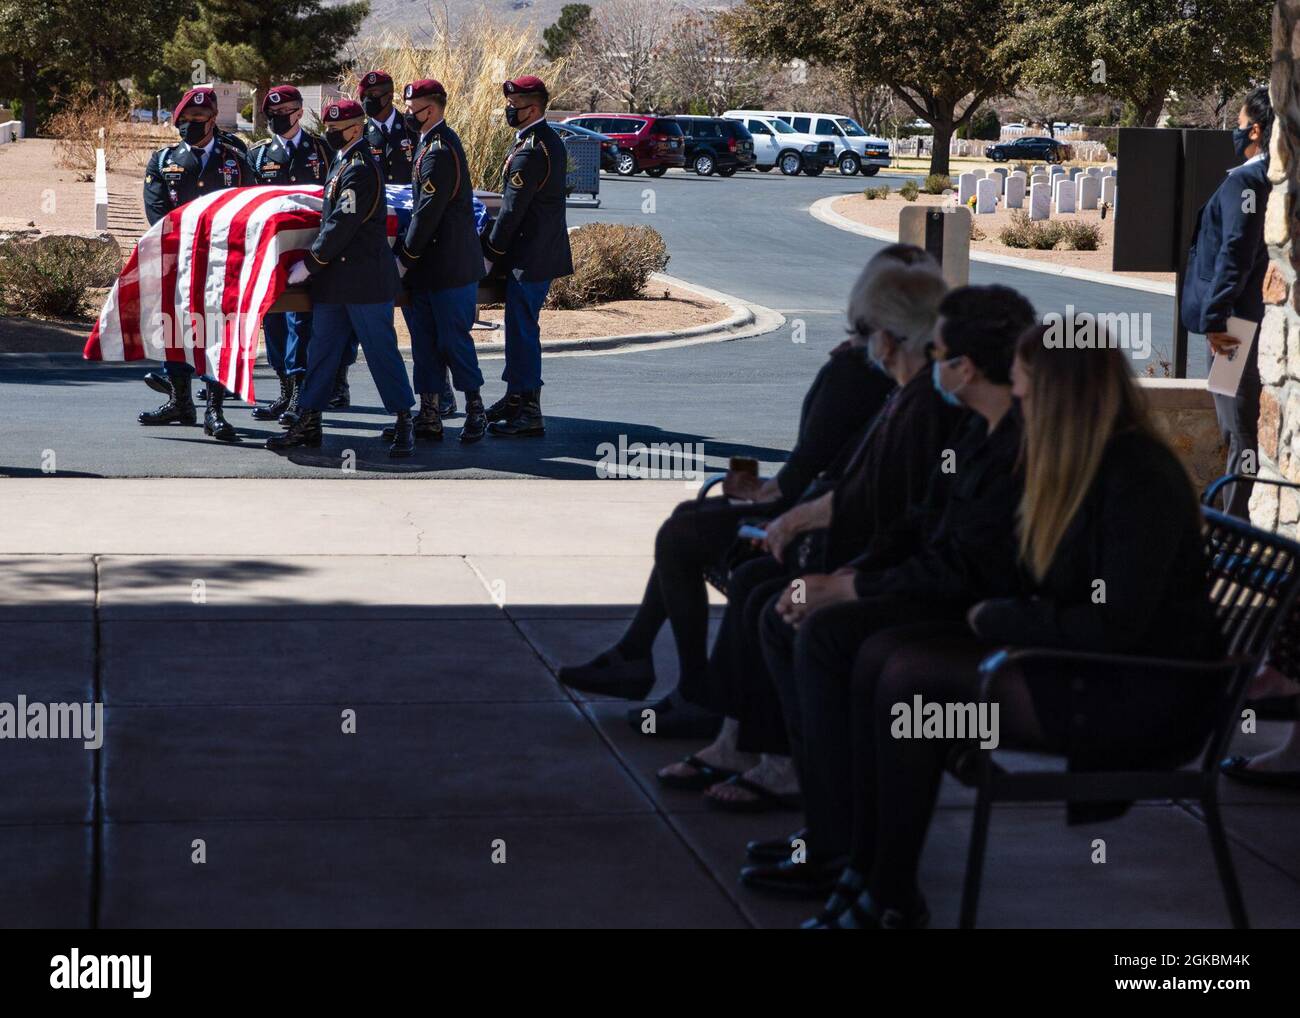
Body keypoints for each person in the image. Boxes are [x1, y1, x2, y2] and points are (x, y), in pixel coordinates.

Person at [806, 323, 1224, 929]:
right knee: (877, 654)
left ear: (1061, 392)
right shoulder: (1078, 462)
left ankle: (890, 893)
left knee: (908, 681)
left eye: (1026, 389)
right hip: (1082, 665)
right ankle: (866, 873)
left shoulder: (1136, 476)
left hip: (1140, 692)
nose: (1018, 400)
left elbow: (1114, 624)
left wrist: (998, 616)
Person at [557, 245, 929, 739]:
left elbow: (804, 480)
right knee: (689, 523)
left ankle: (689, 688)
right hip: (847, 522)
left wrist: (756, 492)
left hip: (819, 529)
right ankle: (637, 656)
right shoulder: (920, 381)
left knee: (682, 532)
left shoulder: (854, 374)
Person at [750, 284, 1034, 897]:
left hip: (973, 613)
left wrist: (856, 590)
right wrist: (849, 576)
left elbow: (968, 571)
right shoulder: (979, 429)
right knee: (787, 616)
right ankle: (832, 832)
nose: (927, 362)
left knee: (831, 637)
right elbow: (919, 522)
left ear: (965, 367)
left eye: (938, 353)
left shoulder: (1014, 443)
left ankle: (840, 850)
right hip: (940, 590)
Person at [656, 258, 962, 813]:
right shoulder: (909, 393)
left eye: (866, 333)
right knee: (755, 580)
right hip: (867, 550)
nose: (861, 346)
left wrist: (837, 568)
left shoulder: (917, 399)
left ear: (888, 339)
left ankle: (795, 768)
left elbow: (887, 503)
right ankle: (750, 748)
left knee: (772, 599)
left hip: (896, 574)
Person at [268, 99, 416, 457]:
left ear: (355, 128)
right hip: (336, 282)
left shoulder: (361, 167)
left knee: (381, 353)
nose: (330, 135)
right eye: (329, 129)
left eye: (337, 130)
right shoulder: (343, 160)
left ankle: (403, 421)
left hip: (364, 281)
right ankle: (309, 420)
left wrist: (311, 262)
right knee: (321, 352)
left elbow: (342, 224)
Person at [329, 70, 455, 414]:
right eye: (366, 94)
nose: (371, 100)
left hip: (410, 238)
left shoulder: (413, 130)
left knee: (419, 317)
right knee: (355, 311)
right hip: (367, 238)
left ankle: (437, 390)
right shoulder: (358, 132)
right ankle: (339, 382)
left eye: (378, 93)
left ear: (390, 95)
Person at [1182, 85, 1274, 518]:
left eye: (1238, 125)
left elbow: (1235, 251)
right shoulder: (1265, 177)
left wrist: (1215, 318)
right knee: (1233, 426)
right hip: (1238, 321)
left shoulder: (1247, 181)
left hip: (1232, 326)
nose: (1234, 133)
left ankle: (1233, 529)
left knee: (1236, 429)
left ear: (1254, 130)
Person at [139, 86, 252, 439]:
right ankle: (180, 402)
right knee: (175, 330)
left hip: (221, 260)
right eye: (184, 120)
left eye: (198, 119)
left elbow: (246, 206)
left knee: (216, 332)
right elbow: (158, 213)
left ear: (213, 119)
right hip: (177, 257)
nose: (190, 125)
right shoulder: (162, 160)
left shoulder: (235, 158)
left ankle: (214, 411)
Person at [385, 79, 488, 443]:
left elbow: (427, 213)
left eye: (414, 110)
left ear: (432, 110)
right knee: (425, 344)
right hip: (429, 270)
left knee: (452, 341)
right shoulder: (427, 144)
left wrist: (403, 259)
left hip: (450, 268)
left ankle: (475, 409)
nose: (408, 115)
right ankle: (428, 412)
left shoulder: (439, 150)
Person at [480, 75, 573, 438]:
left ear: (532, 109)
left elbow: (511, 211)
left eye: (514, 106)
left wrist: (489, 253)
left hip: (530, 255)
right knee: (520, 326)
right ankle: (516, 395)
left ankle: (529, 409)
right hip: (536, 251)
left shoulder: (533, 149)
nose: (508, 111)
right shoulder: (542, 141)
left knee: (521, 329)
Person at [246, 85, 331, 426]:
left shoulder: (322, 150)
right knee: (275, 320)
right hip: (272, 251)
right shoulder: (258, 155)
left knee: (303, 321)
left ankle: (300, 394)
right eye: (274, 115)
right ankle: (284, 390)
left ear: (299, 111)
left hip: (309, 252)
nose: (280, 119)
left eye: (287, 112)